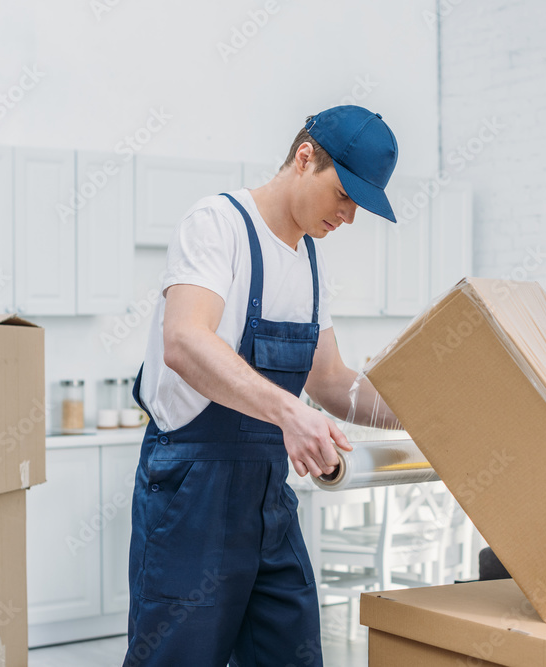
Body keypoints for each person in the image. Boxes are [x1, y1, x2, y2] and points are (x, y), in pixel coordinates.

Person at [122, 105, 402, 667]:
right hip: (190, 494)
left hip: (269, 499)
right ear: (306, 158)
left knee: (290, 654)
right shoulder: (217, 224)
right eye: (344, 195)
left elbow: (330, 383)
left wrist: (426, 415)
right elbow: (183, 340)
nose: (349, 216)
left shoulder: (309, 263)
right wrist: (287, 414)